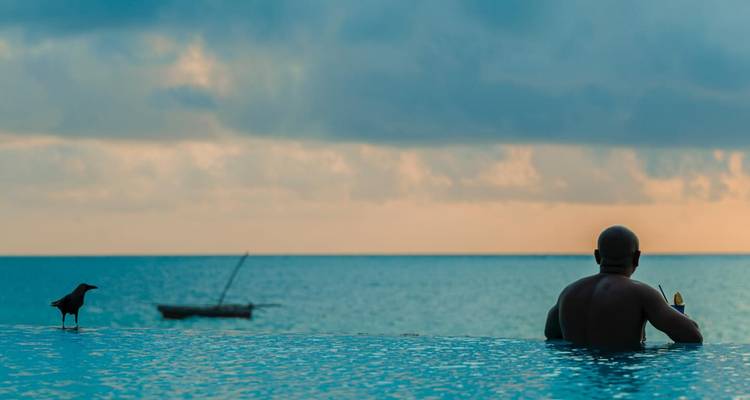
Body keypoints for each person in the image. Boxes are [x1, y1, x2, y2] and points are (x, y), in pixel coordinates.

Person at [544, 225, 702, 347]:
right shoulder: (641, 293)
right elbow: (692, 337)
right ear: (637, 257)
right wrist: (680, 316)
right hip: (620, 378)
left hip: (578, 381)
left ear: (597, 256)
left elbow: (551, 334)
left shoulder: (569, 292)